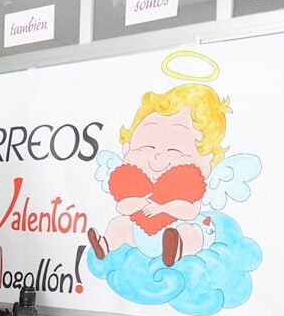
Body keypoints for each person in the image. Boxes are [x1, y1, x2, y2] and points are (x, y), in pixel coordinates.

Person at [86, 84, 231, 266]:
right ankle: (105, 244)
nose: (157, 157)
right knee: (118, 225)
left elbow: (191, 211)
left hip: (178, 227)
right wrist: (141, 202)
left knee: (191, 233)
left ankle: (177, 248)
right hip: (141, 232)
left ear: (204, 161)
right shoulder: (135, 183)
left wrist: (162, 208)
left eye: (174, 150)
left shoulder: (188, 186)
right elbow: (122, 207)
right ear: (128, 147)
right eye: (147, 147)